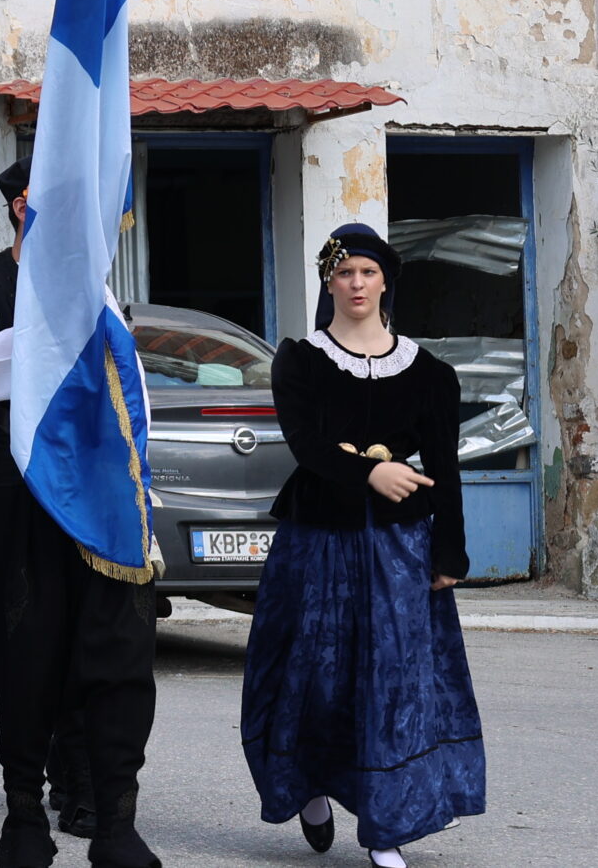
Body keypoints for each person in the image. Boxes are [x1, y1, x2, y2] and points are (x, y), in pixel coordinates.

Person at [240, 224, 482, 868]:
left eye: (367, 272)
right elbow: (307, 446)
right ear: (329, 281)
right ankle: (309, 784)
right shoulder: (301, 359)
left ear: (385, 281)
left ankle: (386, 826)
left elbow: (446, 467)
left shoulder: (430, 373)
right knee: (314, 674)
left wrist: (449, 554)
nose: (356, 283)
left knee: (393, 681)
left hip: (400, 545)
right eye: (344, 272)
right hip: (316, 539)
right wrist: (371, 472)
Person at [0, 157, 160, 868]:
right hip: (24, 490)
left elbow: (131, 392)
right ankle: (23, 815)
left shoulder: (95, 286)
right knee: (26, 651)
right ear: (20, 206)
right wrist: (48, 329)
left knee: (112, 652)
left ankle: (114, 817)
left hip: (101, 494)